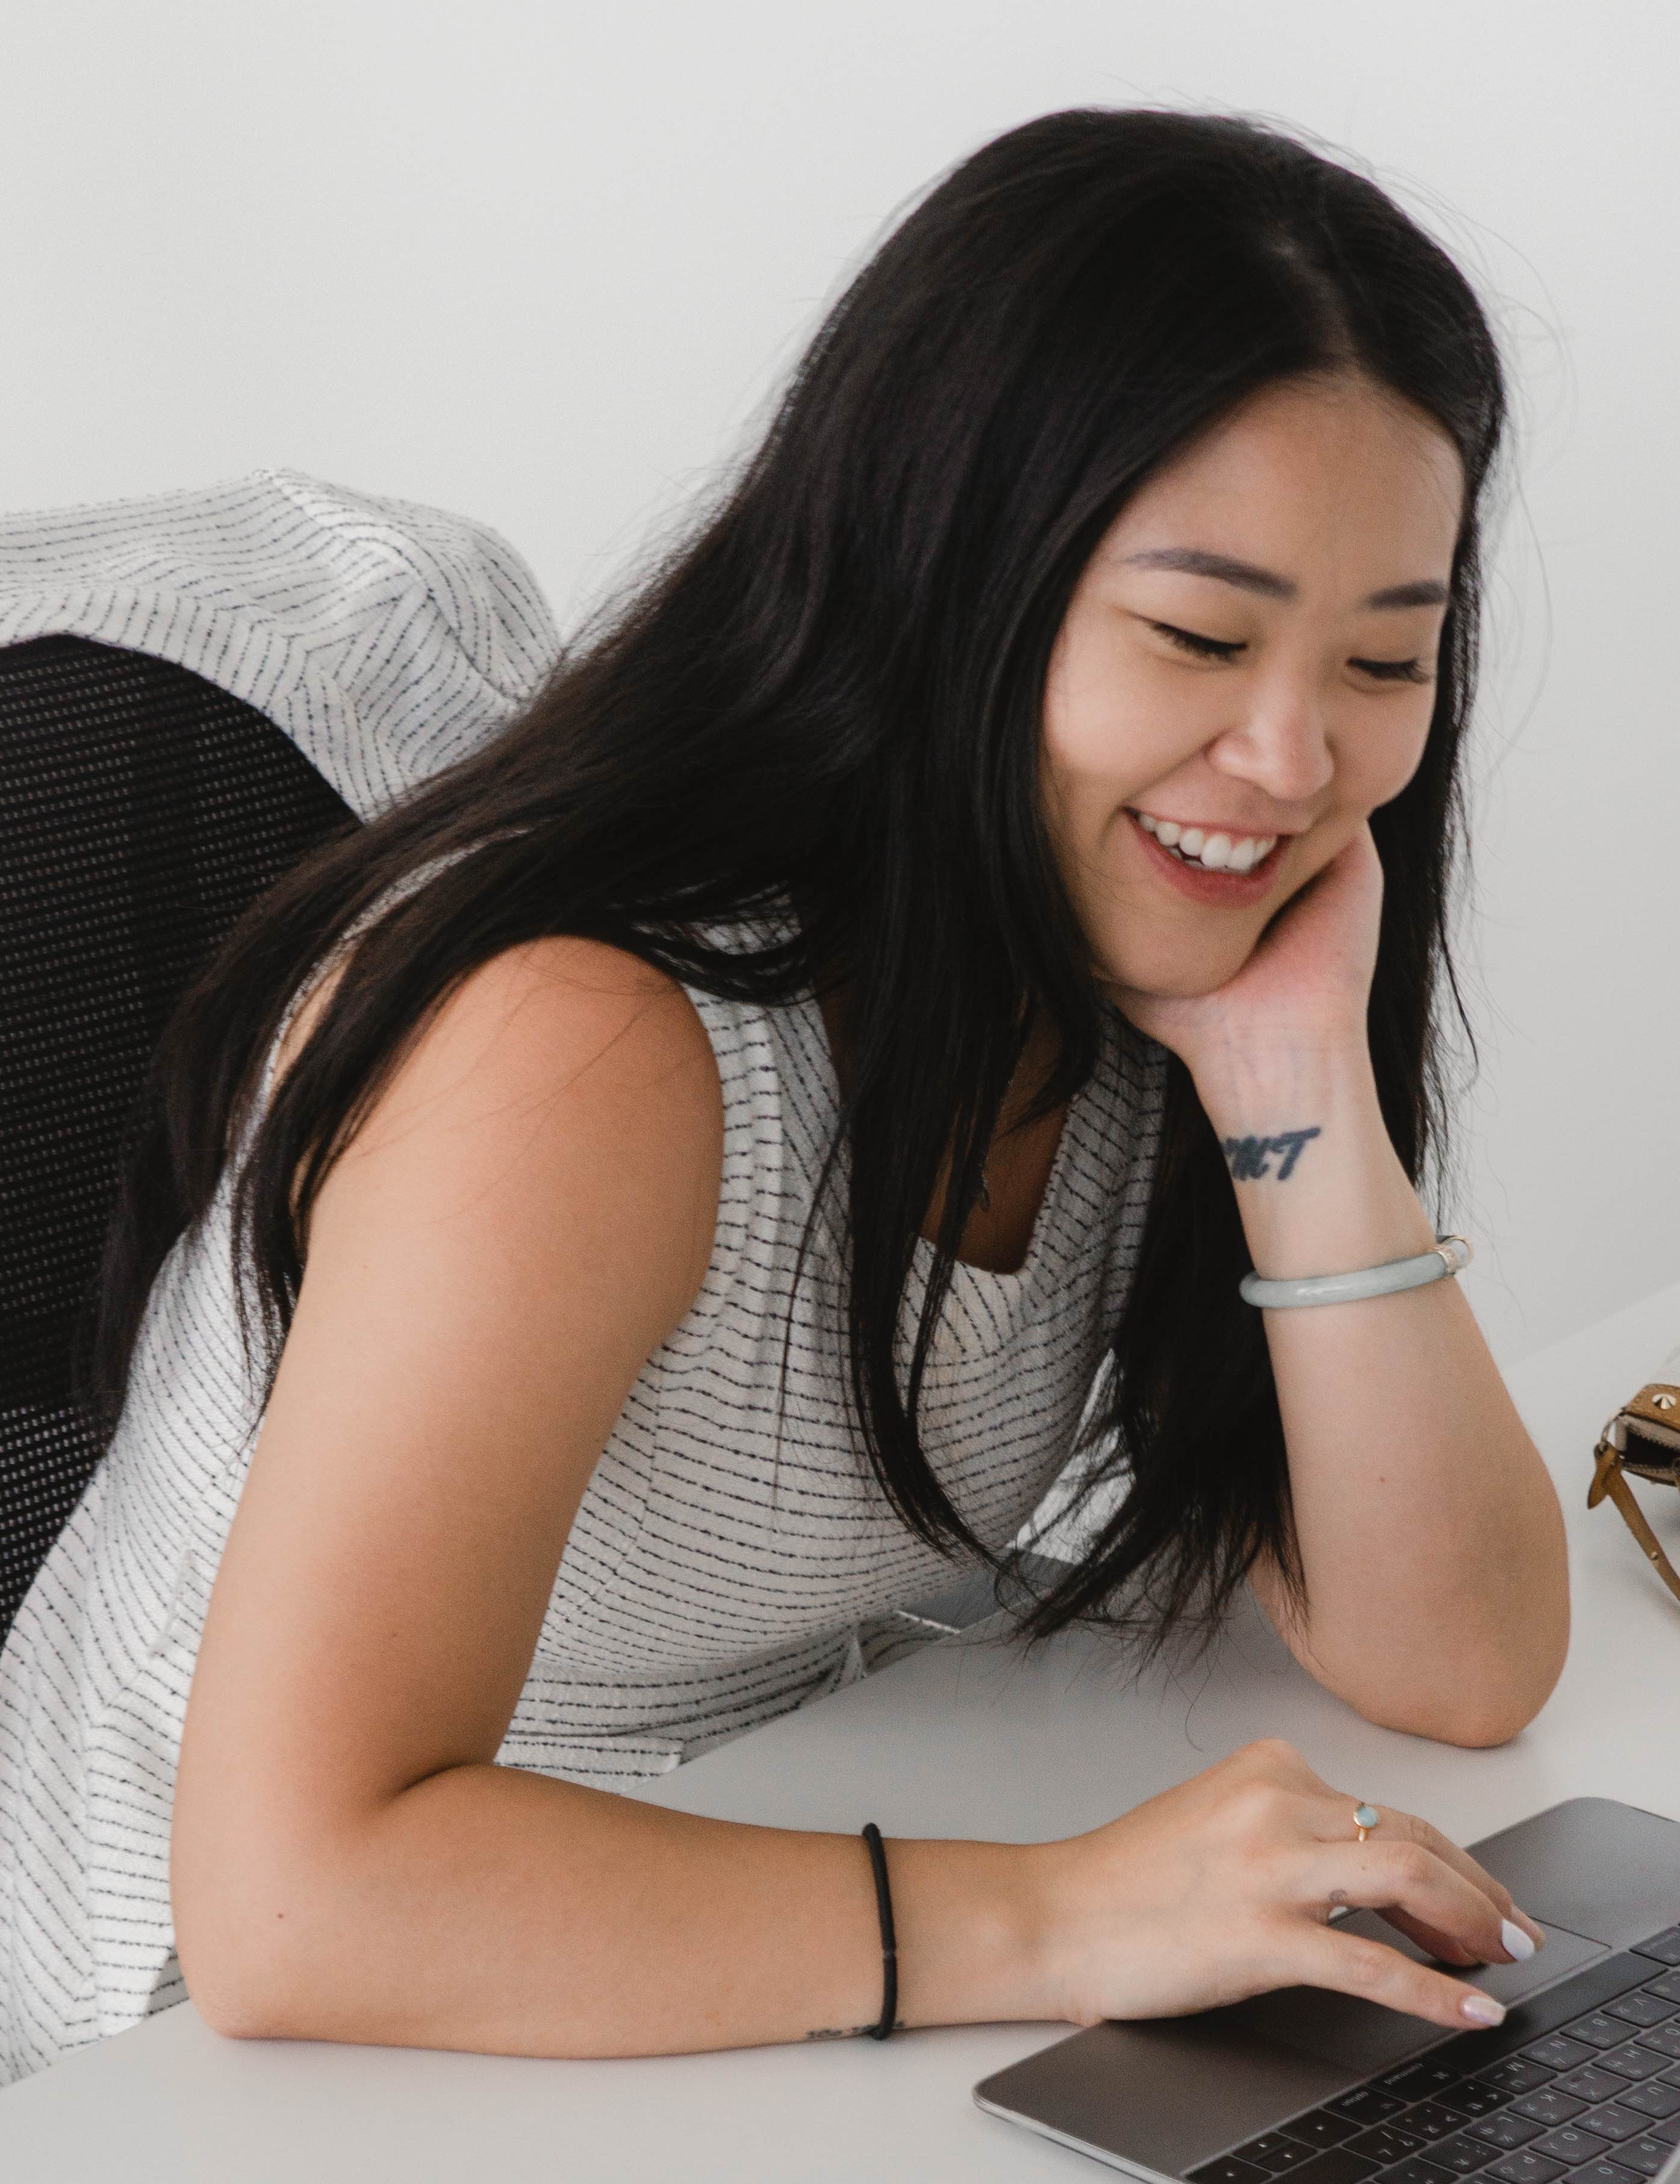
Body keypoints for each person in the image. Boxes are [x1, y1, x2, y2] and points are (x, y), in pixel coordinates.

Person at [0, 106, 1569, 2083]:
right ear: (946, 580)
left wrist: (1291, 1072)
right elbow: (298, 1900)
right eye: (1197, 635)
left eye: (1384, 662)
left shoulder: (1123, 948)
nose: (1291, 757)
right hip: (227, 2044)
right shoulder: (580, 1043)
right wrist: (1071, 1916)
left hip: (762, 1874)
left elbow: (1460, 1660)